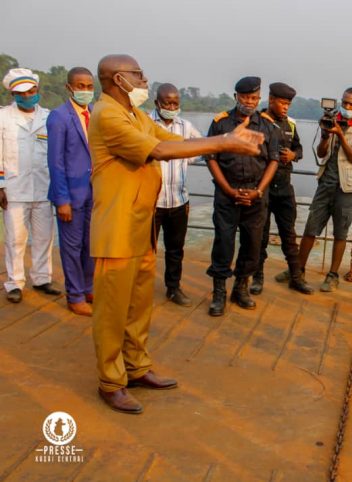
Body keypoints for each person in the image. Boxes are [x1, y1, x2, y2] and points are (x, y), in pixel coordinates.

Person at [89, 54, 263, 414]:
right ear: (119, 79)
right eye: (137, 74)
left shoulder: (134, 115)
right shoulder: (107, 114)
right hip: (117, 226)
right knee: (112, 310)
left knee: (138, 305)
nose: (143, 79)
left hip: (141, 225)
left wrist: (226, 138)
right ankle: (111, 380)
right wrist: (225, 143)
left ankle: (136, 367)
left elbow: (171, 139)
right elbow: (161, 150)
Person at [278, 87, 352, 292]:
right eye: (344, 102)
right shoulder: (331, 120)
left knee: (340, 233)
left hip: (346, 188)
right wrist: (326, 136)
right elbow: (321, 153)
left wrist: (340, 133)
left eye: (351, 104)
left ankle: (332, 275)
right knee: (311, 227)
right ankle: (297, 270)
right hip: (326, 183)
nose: (346, 107)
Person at [206, 76, 280, 315]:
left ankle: (241, 287)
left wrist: (258, 191)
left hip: (256, 194)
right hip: (228, 193)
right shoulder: (220, 123)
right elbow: (211, 158)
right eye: (246, 97)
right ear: (236, 96)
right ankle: (219, 292)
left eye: (254, 98)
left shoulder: (268, 125)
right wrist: (228, 189)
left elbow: (274, 161)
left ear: (260, 99)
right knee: (224, 242)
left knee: (252, 244)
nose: (250, 102)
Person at [0, 68, 61, 304]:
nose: (27, 96)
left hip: (44, 187)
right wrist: (1, 185)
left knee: (44, 236)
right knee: (15, 238)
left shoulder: (49, 117)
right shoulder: (3, 117)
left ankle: (42, 278)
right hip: (14, 188)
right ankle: (14, 282)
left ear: (38, 90)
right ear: (13, 94)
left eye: (31, 91)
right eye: (21, 93)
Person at [251, 82, 312, 295]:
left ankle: (296, 277)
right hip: (264, 188)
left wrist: (293, 155)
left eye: (288, 104)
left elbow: (299, 148)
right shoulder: (257, 122)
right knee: (261, 236)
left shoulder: (290, 124)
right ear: (271, 100)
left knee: (289, 235)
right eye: (282, 103)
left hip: (285, 189)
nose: (286, 107)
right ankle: (257, 277)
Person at [47, 67, 96, 316]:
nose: (85, 91)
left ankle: (88, 288)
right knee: (71, 246)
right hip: (71, 195)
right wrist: (62, 199)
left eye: (89, 86)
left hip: (93, 194)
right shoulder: (59, 117)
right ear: (69, 88)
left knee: (90, 245)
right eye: (80, 86)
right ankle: (74, 295)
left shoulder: (95, 113)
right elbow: (55, 163)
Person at [150, 83, 202, 307]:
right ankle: (139, 288)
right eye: (167, 103)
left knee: (175, 249)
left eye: (175, 103)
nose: (171, 107)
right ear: (156, 103)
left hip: (178, 199)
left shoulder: (185, 126)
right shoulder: (145, 123)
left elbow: (199, 148)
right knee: (145, 250)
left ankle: (173, 288)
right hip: (151, 201)